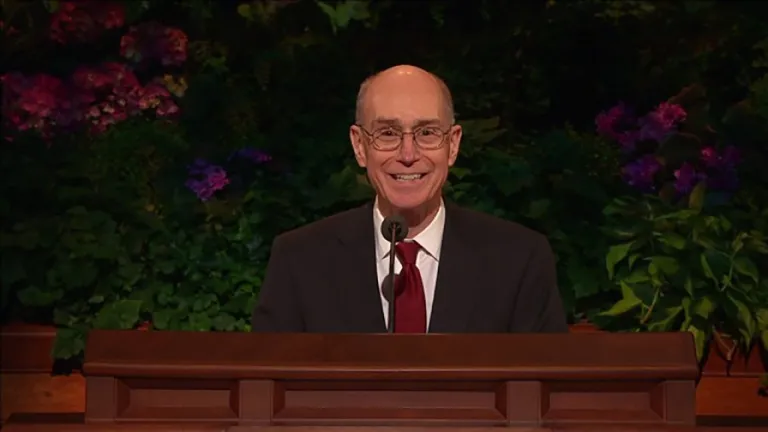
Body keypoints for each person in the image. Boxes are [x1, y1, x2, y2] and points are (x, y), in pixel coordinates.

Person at [251, 65, 568, 333]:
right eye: (388, 133)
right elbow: (267, 380)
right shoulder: (300, 260)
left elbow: (545, 383)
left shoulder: (519, 259)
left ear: (453, 145)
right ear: (360, 146)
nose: (407, 155)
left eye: (427, 133)